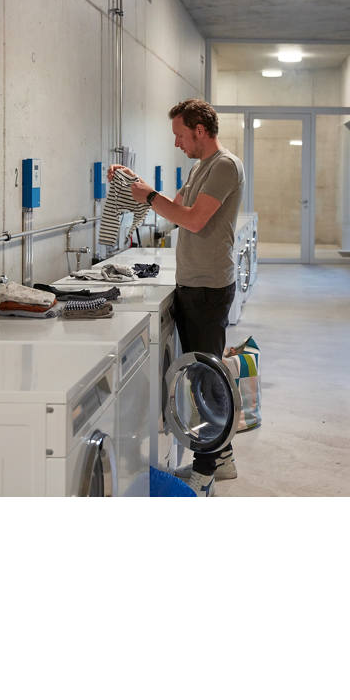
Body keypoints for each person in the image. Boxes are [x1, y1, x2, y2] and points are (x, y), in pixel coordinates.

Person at [107, 98, 245, 496]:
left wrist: (149, 197)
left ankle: (205, 473)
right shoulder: (201, 166)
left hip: (208, 288)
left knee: (204, 379)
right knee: (203, 375)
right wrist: (135, 183)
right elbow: (178, 204)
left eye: (180, 135)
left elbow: (193, 220)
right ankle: (222, 456)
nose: (177, 143)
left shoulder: (223, 165)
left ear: (200, 130)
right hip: (194, 284)